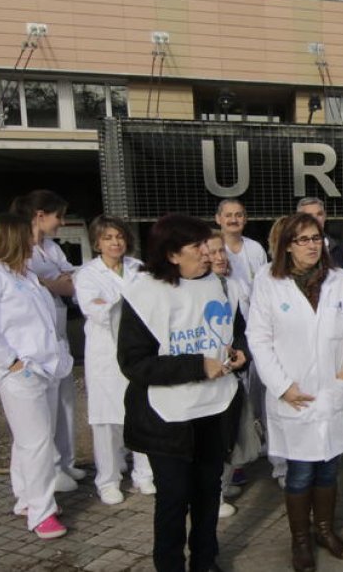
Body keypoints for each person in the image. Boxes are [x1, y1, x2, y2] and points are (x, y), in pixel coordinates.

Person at [118, 214, 250, 572]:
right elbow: (134, 363)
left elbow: (238, 332)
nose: (208, 253)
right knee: (173, 501)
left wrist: (240, 354)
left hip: (214, 410)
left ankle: (205, 561)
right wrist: (197, 366)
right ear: (173, 255)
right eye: (197, 247)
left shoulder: (223, 286)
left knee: (208, 494)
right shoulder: (144, 292)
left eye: (207, 244)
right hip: (168, 417)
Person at [248, 213, 343, 572]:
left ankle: (325, 531)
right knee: (299, 473)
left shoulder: (340, 280)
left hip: (333, 391)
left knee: (329, 470)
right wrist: (282, 387)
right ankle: (300, 540)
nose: (313, 245)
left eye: (316, 238)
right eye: (303, 239)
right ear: (287, 246)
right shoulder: (268, 281)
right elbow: (258, 338)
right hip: (292, 395)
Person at [0, 214, 71, 539]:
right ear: (13, 238)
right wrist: (11, 362)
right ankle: (42, 514)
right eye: (28, 236)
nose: (34, 241)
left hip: (46, 367)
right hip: (21, 372)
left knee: (28, 442)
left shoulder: (25, 274)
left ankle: (27, 499)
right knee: (37, 442)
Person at [73, 216, 153, 506]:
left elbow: (152, 302)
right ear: (97, 242)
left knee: (141, 413)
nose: (115, 242)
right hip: (106, 356)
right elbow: (97, 311)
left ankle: (144, 474)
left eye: (119, 237)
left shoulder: (138, 268)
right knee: (106, 421)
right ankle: (108, 480)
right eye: (108, 238)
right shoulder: (87, 275)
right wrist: (127, 303)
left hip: (138, 353)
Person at [10, 189, 83, 491]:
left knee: (65, 401)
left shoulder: (51, 248)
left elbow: (71, 282)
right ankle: (49, 470)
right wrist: (54, 283)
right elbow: (29, 282)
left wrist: (53, 283)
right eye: (58, 216)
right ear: (40, 216)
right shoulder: (19, 248)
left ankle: (66, 462)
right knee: (42, 411)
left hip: (58, 330)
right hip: (33, 341)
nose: (62, 222)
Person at [205, 232, 260, 518]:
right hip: (206, 376)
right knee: (213, 440)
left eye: (222, 252)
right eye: (212, 252)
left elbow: (242, 328)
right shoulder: (196, 288)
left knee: (230, 435)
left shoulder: (234, 284)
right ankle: (211, 496)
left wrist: (242, 353)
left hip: (232, 373)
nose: (219, 257)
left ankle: (220, 488)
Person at [215, 198, 269, 289]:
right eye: (228, 215)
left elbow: (264, 283)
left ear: (245, 219)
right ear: (218, 219)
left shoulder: (256, 248)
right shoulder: (210, 248)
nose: (233, 220)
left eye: (239, 215)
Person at [297, 196, 343, 268]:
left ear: (325, 216)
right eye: (309, 215)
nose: (316, 219)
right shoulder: (291, 248)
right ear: (299, 219)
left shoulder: (336, 249)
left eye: (319, 214)